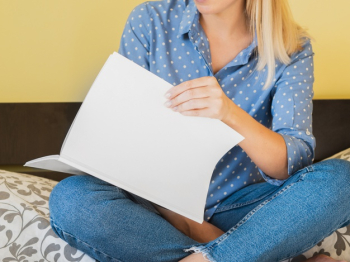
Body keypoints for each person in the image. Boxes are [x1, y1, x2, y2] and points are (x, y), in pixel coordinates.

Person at [48, 0, 350, 261]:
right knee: (71, 199)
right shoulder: (150, 20)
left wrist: (230, 113)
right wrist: (190, 224)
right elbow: (126, 140)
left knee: (341, 181)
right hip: (152, 207)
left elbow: (291, 164)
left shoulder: (292, 47)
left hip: (242, 208)